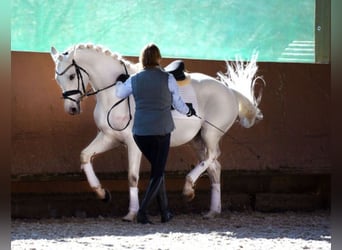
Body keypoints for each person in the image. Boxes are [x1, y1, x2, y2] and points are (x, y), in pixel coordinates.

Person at [116, 43, 196, 224]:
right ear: (159, 58)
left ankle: (165, 212)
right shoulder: (168, 79)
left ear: (142, 59)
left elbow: (119, 93)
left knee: (157, 171)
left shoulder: (134, 79)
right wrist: (189, 111)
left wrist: (120, 80)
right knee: (158, 172)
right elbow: (178, 104)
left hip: (140, 133)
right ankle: (142, 212)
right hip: (161, 132)